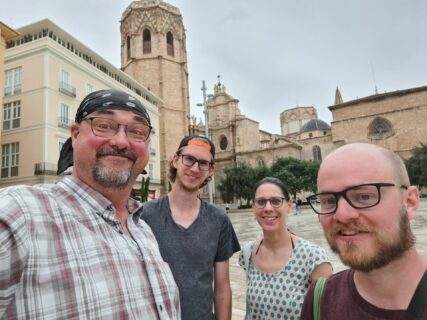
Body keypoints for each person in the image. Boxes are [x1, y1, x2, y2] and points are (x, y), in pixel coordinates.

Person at [0, 89, 180, 319]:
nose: (121, 141)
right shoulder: (19, 214)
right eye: (104, 125)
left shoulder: (143, 232)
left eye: (137, 132)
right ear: (75, 135)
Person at [301, 143, 427, 319]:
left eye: (364, 196)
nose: (342, 215)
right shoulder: (320, 300)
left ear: (410, 202)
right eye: (329, 201)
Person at [142, 135, 241, 320]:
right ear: (175, 160)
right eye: (189, 159)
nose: (195, 168)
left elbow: (222, 288)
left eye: (203, 163)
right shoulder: (144, 215)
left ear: (211, 170)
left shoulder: (219, 220)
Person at [239, 177, 333, 319]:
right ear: (253, 206)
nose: (268, 208)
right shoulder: (249, 253)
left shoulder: (314, 258)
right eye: (261, 202)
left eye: (276, 201)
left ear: (289, 205)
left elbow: (328, 313)